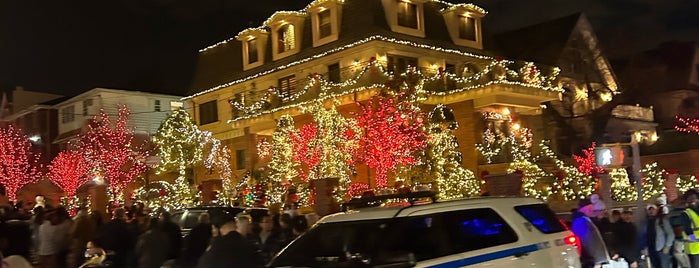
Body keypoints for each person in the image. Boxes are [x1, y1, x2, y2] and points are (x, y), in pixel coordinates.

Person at [196, 213, 263, 268]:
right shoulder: (249, 245)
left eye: (213, 229)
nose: (212, 231)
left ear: (218, 228)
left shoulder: (217, 247)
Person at [570, 199, 610, 268]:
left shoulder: (584, 220)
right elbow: (587, 242)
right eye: (591, 209)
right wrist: (594, 260)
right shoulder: (581, 221)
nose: (593, 211)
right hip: (593, 260)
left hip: (594, 260)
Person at [647, 199, 675, 268]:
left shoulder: (662, 220)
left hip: (662, 249)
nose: (651, 211)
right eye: (649, 210)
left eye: (653, 209)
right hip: (652, 250)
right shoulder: (647, 222)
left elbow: (670, 234)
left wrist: (667, 246)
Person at [681, 189, 699, 267]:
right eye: (689, 198)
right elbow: (687, 229)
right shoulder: (686, 213)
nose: (692, 200)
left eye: (694, 197)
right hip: (694, 248)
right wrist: (693, 239)